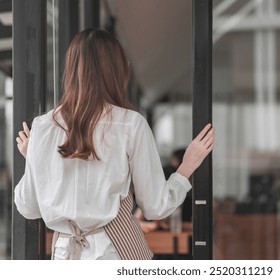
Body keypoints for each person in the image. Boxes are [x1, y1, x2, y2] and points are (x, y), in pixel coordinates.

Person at [14, 28, 215, 260]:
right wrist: (186, 167)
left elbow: (28, 207)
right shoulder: (130, 124)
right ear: (116, 70)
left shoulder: (42, 127)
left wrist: (36, 159)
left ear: (70, 70)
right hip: (112, 253)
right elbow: (155, 207)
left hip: (64, 258)